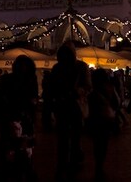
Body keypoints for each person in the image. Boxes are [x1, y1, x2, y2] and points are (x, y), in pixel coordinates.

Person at [43, 41, 92, 181]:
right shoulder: (57, 68)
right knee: (63, 137)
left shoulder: (81, 67)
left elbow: (88, 86)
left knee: (75, 136)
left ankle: (74, 159)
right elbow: (52, 87)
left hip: (76, 105)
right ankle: (64, 162)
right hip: (62, 106)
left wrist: (77, 92)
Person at [0, 53, 40, 181]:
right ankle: (17, 168)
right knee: (13, 144)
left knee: (21, 145)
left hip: (22, 117)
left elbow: (33, 98)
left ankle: (22, 168)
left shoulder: (29, 79)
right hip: (14, 116)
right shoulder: (12, 80)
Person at [86, 67, 122, 182]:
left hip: (94, 120)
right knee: (103, 144)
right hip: (106, 120)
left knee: (97, 144)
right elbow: (117, 102)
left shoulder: (91, 90)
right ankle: (100, 166)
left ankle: (98, 166)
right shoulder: (110, 88)